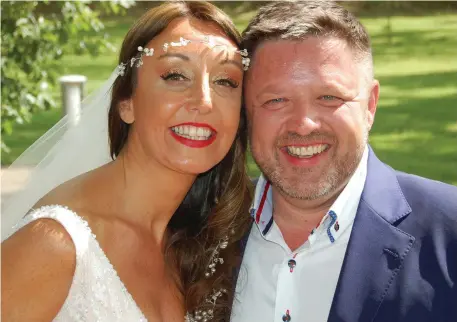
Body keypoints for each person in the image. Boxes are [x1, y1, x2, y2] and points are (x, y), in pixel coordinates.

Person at [1, 2, 253, 321]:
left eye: (225, 81)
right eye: (176, 75)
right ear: (126, 103)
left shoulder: (199, 246)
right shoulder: (54, 245)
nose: (204, 101)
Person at [232, 1, 457, 322]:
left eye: (329, 97)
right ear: (246, 112)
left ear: (370, 105)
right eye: (276, 100)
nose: (303, 124)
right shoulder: (202, 233)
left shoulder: (449, 235)